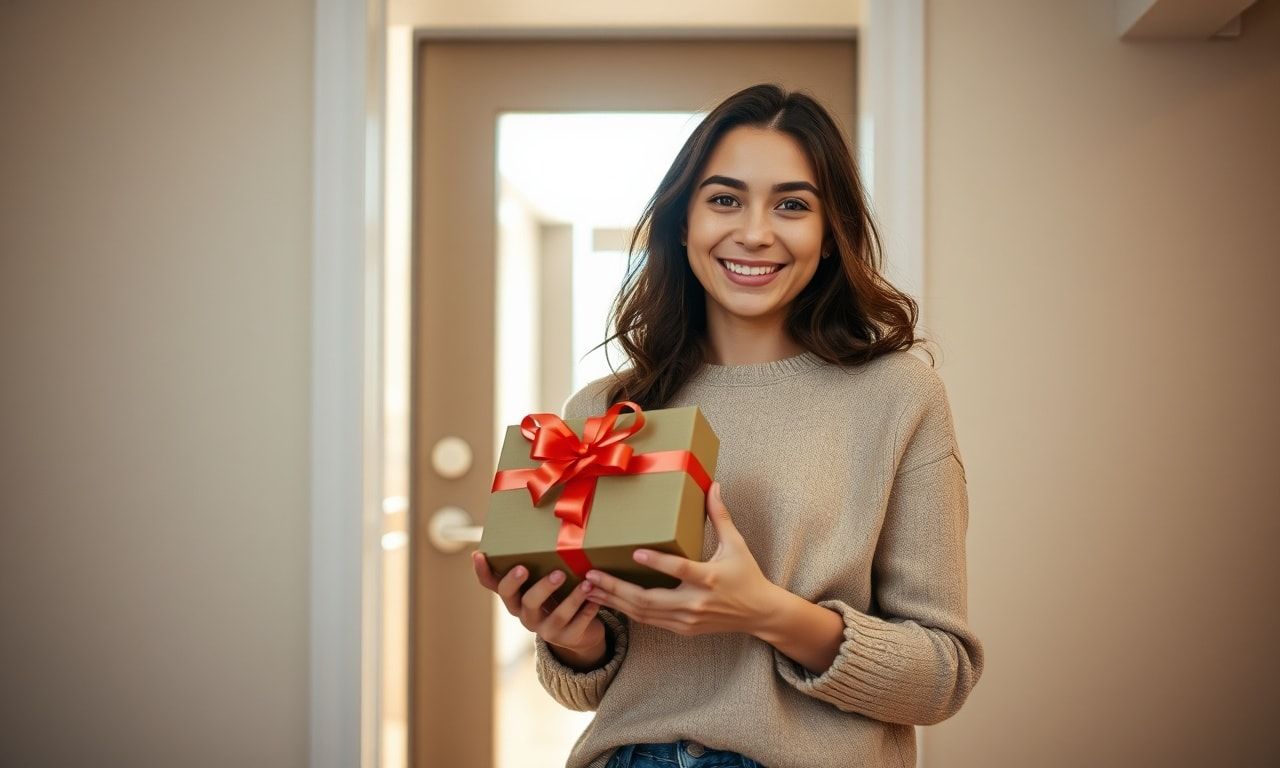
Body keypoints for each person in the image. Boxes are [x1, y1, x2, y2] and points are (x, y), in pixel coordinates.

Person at [472, 83, 983, 768]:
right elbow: (588, 686)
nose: (754, 232)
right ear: (684, 222)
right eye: (725, 199)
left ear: (830, 235)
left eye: (792, 205)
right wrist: (571, 639)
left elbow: (941, 676)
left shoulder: (896, 397)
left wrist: (765, 612)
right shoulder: (604, 413)